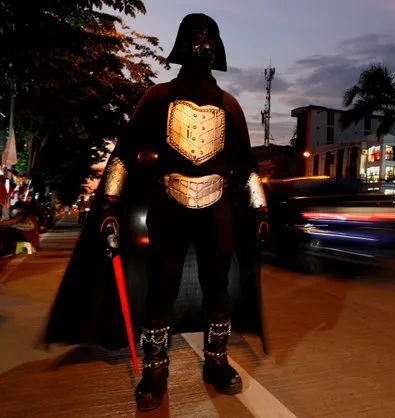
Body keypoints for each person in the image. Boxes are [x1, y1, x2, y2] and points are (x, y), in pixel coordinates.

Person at [44, 13, 269, 412]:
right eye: (195, 39)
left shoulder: (230, 105)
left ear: (217, 47)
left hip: (216, 205)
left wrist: (259, 206)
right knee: (162, 285)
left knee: (218, 284)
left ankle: (216, 361)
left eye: (208, 39)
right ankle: (155, 369)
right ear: (184, 44)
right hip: (169, 202)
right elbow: (124, 156)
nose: (202, 46)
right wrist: (111, 204)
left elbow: (247, 164)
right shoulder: (158, 98)